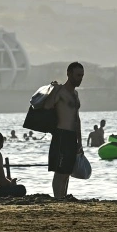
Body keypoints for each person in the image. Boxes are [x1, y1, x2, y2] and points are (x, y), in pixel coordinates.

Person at [42, 62, 84, 199]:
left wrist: (80, 142)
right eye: (78, 75)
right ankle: (58, 199)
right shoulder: (60, 91)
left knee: (68, 171)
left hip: (72, 136)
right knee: (60, 171)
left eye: (82, 76)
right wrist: (53, 91)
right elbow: (47, 107)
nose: (80, 78)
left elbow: (77, 119)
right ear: (69, 74)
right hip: (61, 134)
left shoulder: (75, 94)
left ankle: (63, 198)